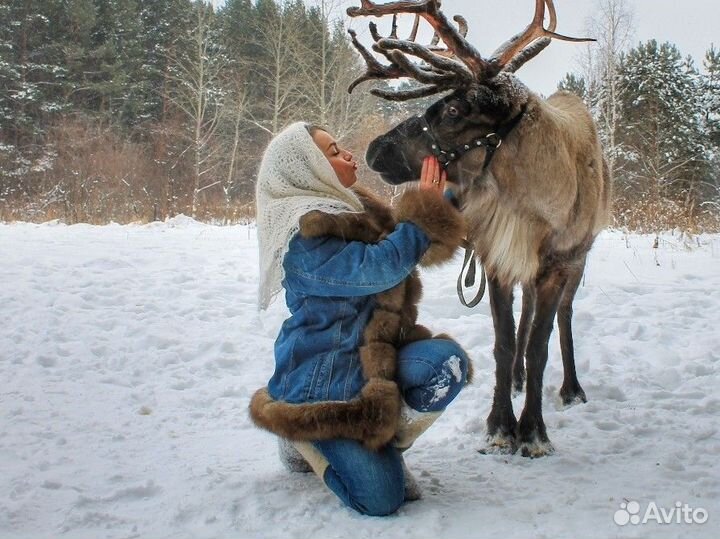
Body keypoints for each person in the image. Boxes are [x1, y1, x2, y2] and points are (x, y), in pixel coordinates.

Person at [249, 122, 472, 516]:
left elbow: (411, 247)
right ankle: (303, 440)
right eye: (333, 152)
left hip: (377, 363)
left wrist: (453, 190)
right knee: (381, 499)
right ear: (307, 169)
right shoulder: (302, 237)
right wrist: (423, 212)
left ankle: (385, 444)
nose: (347, 154)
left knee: (445, 365)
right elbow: (380, 267)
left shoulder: (357, 207)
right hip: (324, 386)